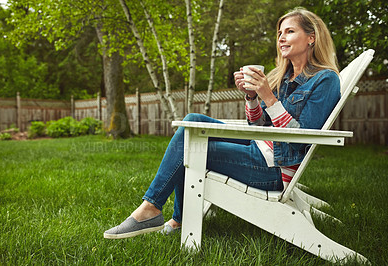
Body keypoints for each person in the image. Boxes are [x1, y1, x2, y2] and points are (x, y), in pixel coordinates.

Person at [103, 7, 341, 239]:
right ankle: (167, 215)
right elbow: (258, 126)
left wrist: (268, 96)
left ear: (311, 38)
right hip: (259, 147)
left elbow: (301, 138)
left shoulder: (325, 79)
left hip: (274, 169)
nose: (281, 38)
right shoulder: (285, 77)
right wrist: (251, 97)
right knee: (192, 121)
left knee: (190, 146)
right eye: (279, 33)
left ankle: (154, 210)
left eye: (289, 32)